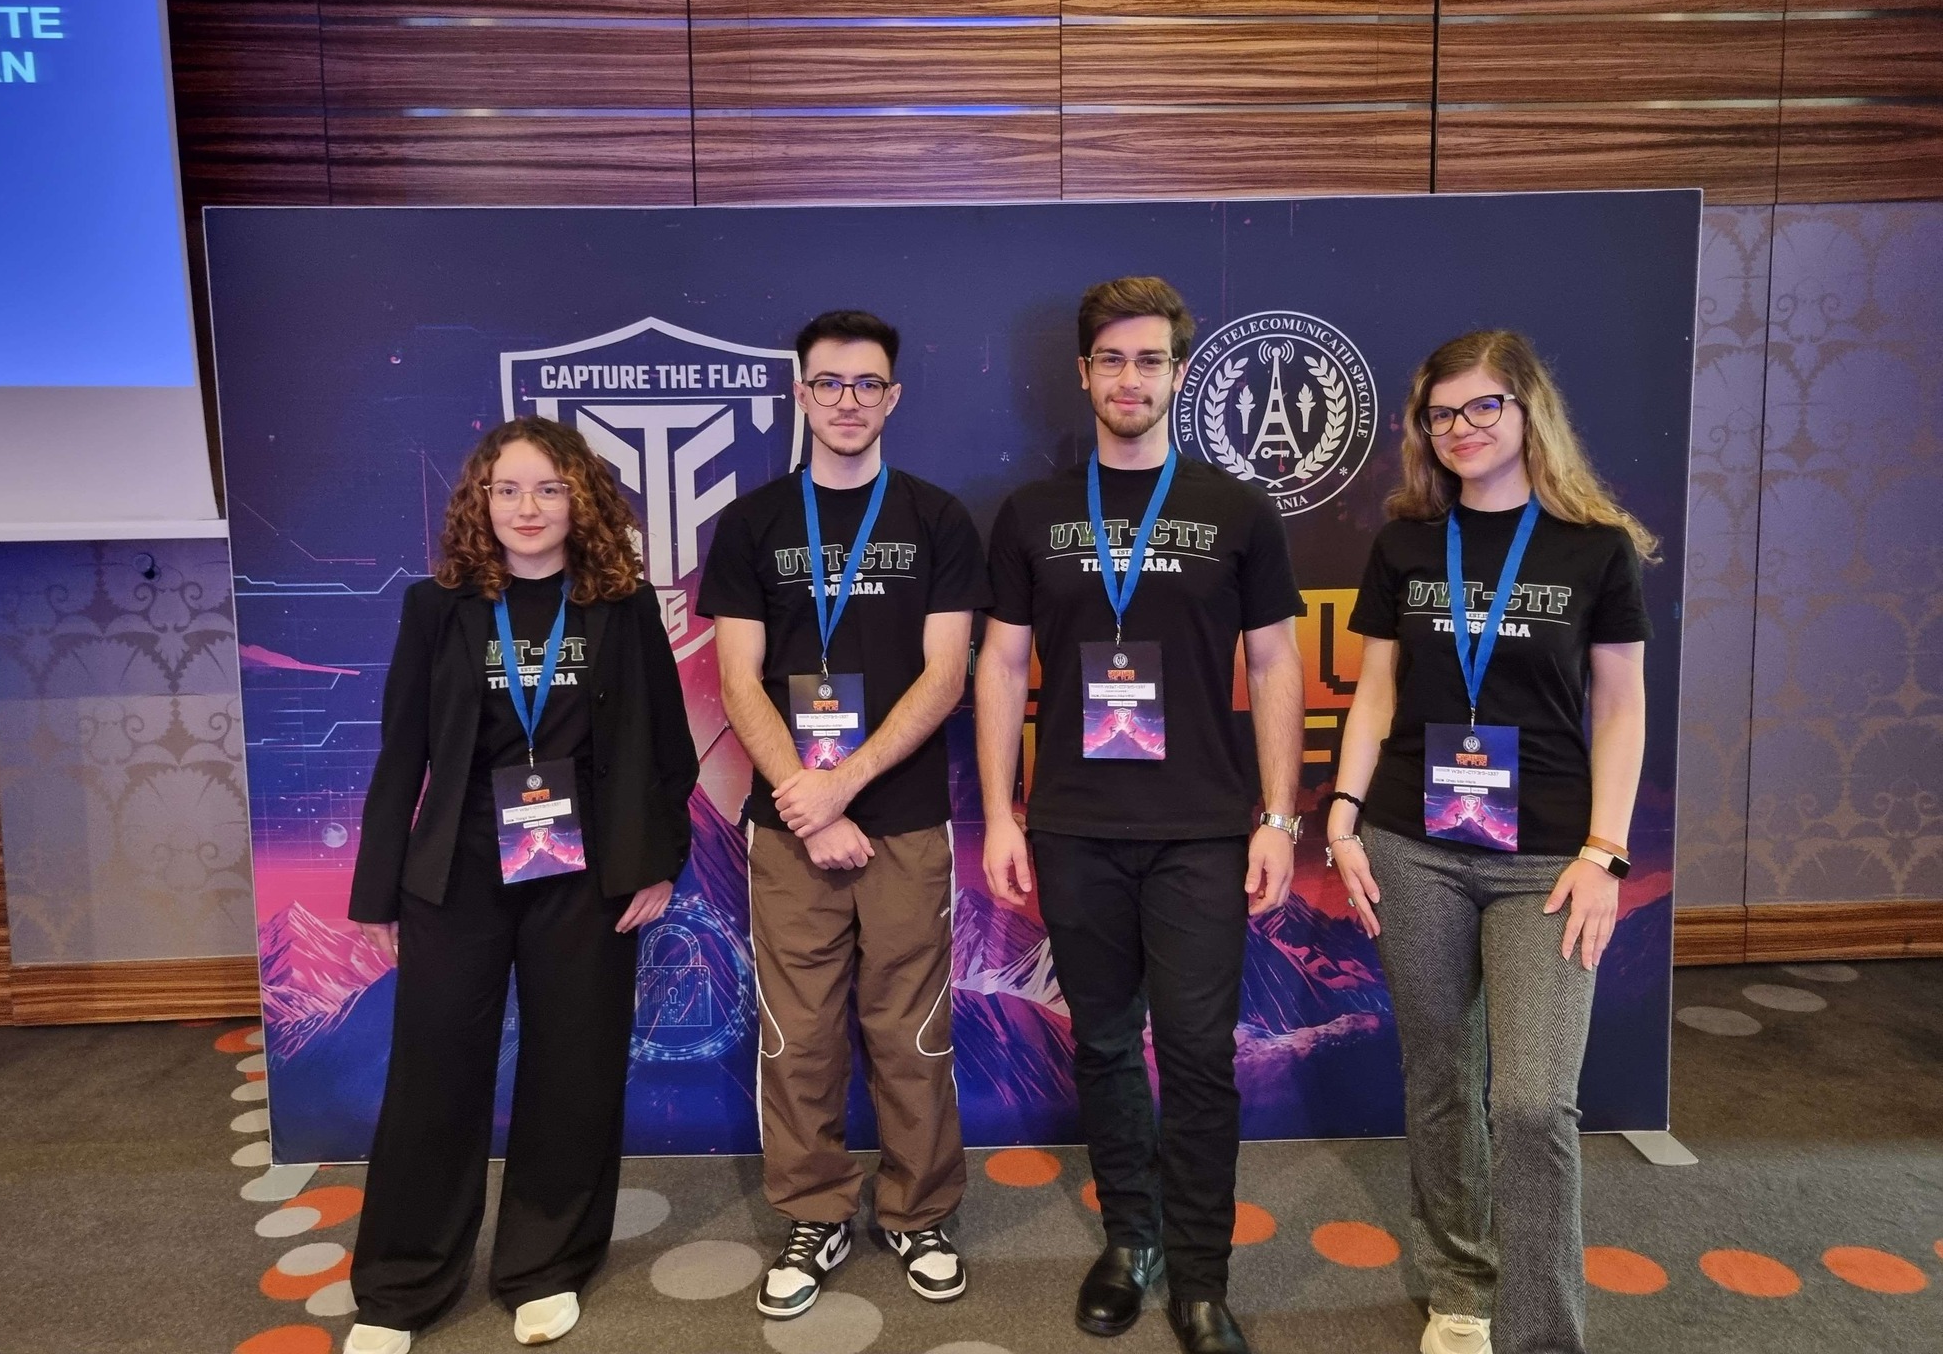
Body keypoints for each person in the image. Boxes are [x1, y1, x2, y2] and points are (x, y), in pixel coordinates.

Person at [974, 277, 1305, 1354]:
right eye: (1111, 359)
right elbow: (1001, 667)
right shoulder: (1030, 514)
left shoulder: (1236, 509)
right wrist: (1001, 814)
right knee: (1107, 1046)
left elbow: (1275, 662)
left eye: (1150, 359)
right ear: (1083, 373)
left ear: (1178, 372)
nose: (1130, 378)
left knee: (1201, 1056)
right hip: (1073, 826)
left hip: (1203, 829)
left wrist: (1279, 817)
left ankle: (1200, 1277)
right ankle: (1131, 1241)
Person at [1326, 329, 1653, 1354]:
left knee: (1531, 1104)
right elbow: (1373, 691)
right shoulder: (1405, 545)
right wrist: (1340, 812)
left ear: (1527, 410)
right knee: (1438, 1080)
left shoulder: (1593, 548)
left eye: (1482, 406)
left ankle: (1540, 1334)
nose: (1460, 428)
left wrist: (1605, 852)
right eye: (1440, 414)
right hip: (1409, 844)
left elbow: (1621, 708)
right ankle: (1460, 1288)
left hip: (1547, 861)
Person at [343, 416, 698, 1353]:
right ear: (481, 502)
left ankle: (545, 1266)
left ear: (580, 500)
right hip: (456, 871)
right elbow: (401, 753)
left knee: (573, 1068)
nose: (527, 508)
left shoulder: (621, 607)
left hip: (585, 872)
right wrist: (378, 891)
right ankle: (401, 1286)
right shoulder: (437, 607)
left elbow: (669, 749)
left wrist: (659, 860)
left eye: (548, 489)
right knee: (434, 1073)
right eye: (507, 490)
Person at [698, 310, 989, 1319]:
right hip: (788, 826)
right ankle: (814, 1213)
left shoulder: (937, 519)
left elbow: (945, 676)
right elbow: (738, 682)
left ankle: (918, 1215)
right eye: (828, 383)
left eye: (868, 384)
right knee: (799, 1037)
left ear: (892, 397)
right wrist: (811, 805)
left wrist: (843, 784)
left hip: (903, 819)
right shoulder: (751, 524)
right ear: (801, 394)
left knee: (910, 1032)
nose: (848, 401)